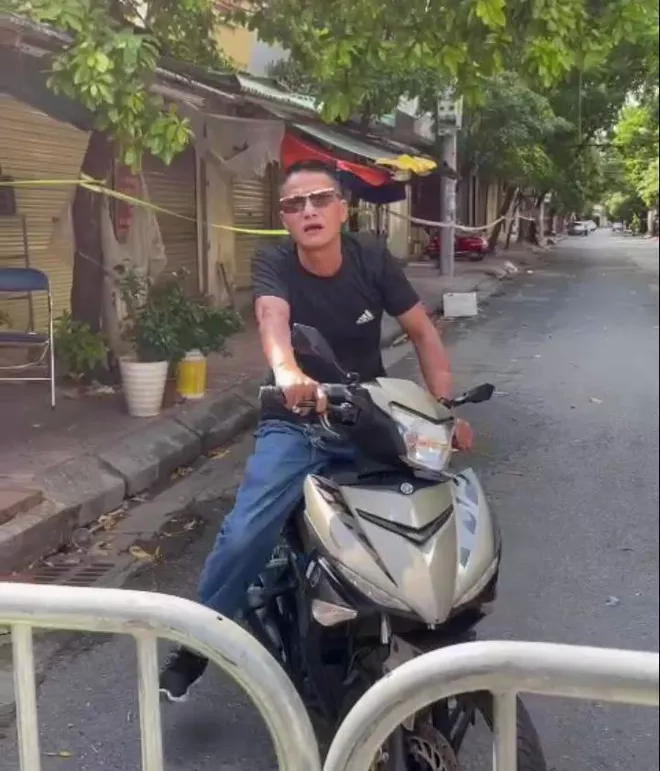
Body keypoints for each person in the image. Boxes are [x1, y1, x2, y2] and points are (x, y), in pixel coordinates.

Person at [159, 159, 472, 702]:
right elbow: (272, 319)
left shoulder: (371, 257)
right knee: (245, 533)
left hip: (370, 416)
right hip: (298, 420)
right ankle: (197, 643)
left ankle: (415, 611)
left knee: (419, 502)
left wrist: (443, 411)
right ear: (285, 218)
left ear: (343, 209)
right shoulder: (275, 261)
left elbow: (422, 332)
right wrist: (288, 373)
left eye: (321, 199)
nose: (308, 210)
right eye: (294, 204)